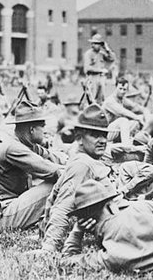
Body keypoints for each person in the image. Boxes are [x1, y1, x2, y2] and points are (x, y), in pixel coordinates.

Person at [39, 104, 119, 253]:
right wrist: (49, 246)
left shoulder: (82, 159)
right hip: (119, 224)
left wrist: (43, 230)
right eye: (95, 135)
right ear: (79, 138)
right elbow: (62, 206)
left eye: (104, 135)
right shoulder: (83, 164)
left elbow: (53, 197)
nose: (102, 140)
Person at [0, 101, 66, 230]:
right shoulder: (13, 148)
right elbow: (53, 171)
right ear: (32, 129)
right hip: (2, 214)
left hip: (12, 206)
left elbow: (58, 160)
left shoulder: (28, 145)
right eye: (42, 126)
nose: (45, 130)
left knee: (69, 176)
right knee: (57, 183)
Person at [61, 179, 153, 273]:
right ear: (111, 203)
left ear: (86, 221)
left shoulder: (111, 256)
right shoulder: (142, 207)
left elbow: (67, 260)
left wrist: (77, 230)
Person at [82, 34, 116, 103]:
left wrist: (107, 49)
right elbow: (87, 68)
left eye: (97, 43)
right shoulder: (88, 54)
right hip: (92, 78)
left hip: (101, 79)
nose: (94, 45)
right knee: (91, 99)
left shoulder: (101, 54)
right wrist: (100, 70)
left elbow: (112, 58)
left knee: (101, 99)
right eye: (93, 43)